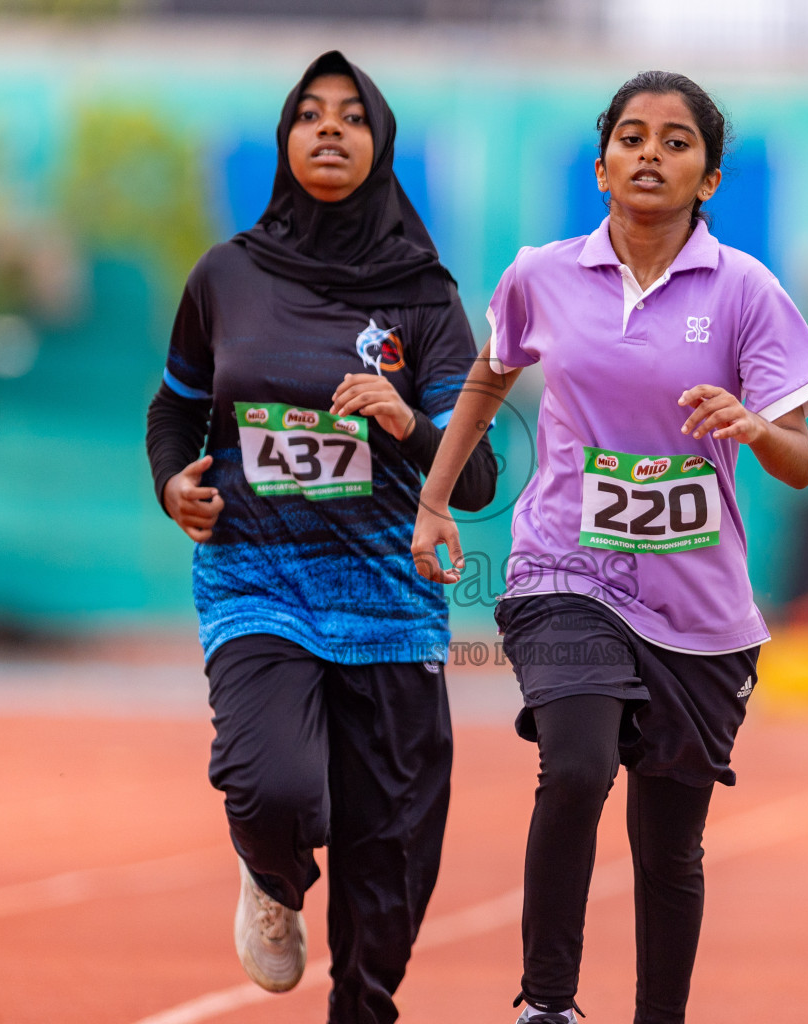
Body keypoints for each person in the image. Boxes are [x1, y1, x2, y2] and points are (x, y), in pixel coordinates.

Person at [411, 70, 808, 1024]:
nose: (652, 153)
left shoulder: (746, 294)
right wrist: (437, 499)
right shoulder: (541, 275)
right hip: (565, 571)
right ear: (601, 165)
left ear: (710, 179)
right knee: (575, 765)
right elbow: (489, 377)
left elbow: (801, 462)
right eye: (632, 137)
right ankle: (548, 1006)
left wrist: (754, 427)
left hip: (700, 608)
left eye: (677, 141)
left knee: (668, 840)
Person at [145, 50, 497, 1024]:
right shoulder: (226, 278)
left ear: (380, 144)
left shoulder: (424, 297)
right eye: (310, 115)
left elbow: (475, 480)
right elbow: (173, 411)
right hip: (257, 576)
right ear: (284, 142)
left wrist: (404, 420)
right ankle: (273, 871)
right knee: (277, 787)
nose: (330, 129)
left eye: (351, 116)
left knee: (391, 852)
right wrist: (172, 482)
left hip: (389, 599)